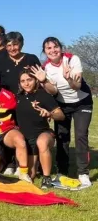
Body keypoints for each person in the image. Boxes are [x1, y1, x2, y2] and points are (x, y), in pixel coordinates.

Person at [42, 36, 93, 188]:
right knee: (62, 137)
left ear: (61, 47)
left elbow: (76, 86)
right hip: (62, 105)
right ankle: (62, 171)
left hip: (82, 103)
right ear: (45, 51)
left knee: (81, 135)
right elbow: (54, 90)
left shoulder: (72, 60)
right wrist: (44, 81)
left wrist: (68, 77)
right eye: (48, 48)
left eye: (55, 46)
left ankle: (83, 173)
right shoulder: (46, 68)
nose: (53, 50)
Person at [16, 69, 65, 189]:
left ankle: (47, 178)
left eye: (29, 80)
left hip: (43, 134)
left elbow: (61, 115)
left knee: (41, 142)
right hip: (27, 140)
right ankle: (33, 166)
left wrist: (49, 114)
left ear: (35, 80)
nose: (26, 83)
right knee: (30, 176)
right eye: (23, 81)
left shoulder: (43, 95)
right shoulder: (17, 97)